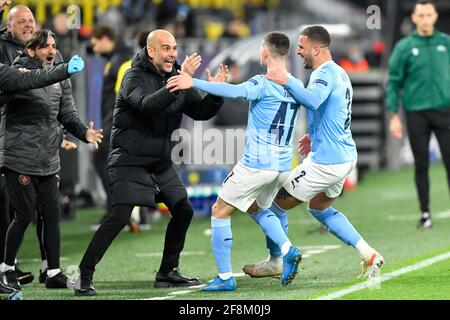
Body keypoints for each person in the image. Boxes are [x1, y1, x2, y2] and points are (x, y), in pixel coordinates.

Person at [74, 29, 225, 296]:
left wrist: (216, 92)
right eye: (166, 48)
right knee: (120, 215)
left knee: (184, 210)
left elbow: (201, 111)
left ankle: (167, 272)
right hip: (129, 161)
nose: (172, 54)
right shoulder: (134, 76)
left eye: (175, 48)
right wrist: (181, 80)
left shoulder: (177, 78)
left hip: (160, 162)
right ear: (151, 51)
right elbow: (147, 105)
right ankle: (84, 274)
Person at [240, 26, 384, 280]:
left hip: (327, 162)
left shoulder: (322, 74)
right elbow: (333, 108)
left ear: (315, 49)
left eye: (302, 47)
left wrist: (286, 80)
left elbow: (314, 100)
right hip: (344, 156)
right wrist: (314, 135)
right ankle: (369, 254)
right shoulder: (339, 72)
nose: (298, 52)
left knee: (272, 206)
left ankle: (276, 261)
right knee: (319, 208)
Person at [167, 31, 303, 291]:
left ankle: (225, 277)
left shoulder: (262, 82)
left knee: (219, 210)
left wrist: (192, 82)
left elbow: (234, 91)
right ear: (287, 53)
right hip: (283, 164)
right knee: (257, 207)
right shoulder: (294, 84)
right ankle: (286, 249)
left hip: (257, 164)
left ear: (264, 53)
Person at [0, 30, 103, 293]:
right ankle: (6, 270)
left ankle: (54, 272)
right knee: (23, 216)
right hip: (20, 157)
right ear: (31, 50)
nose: (51, 50)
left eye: (54, 46)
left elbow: (67, 113)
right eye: (45, 46)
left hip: (48, 158)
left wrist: (84, 133)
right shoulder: (18, 73)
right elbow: (36, 79)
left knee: (52, 216)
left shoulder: (59, 77)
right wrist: (64, 69)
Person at [386, 0, 450, 229]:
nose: (425, 19)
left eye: (428, 15)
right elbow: (393, 82)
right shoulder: (404, 47)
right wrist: (393, 115)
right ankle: (425, 213)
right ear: (414, 18)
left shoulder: (446, 43)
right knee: (420, 165)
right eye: (420, 15)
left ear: (434, 16)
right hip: (416, 114)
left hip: (445, 112)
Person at [90, 25, 133, 223]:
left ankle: (118, 211)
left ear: (106, 39)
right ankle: (120, 210)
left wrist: (111, 126)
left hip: (115, 123)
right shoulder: (114, 60)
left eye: (96, 43)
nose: (94, 47)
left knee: (105, 162)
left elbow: (120, 96)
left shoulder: (121, 61)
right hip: (112, 122)